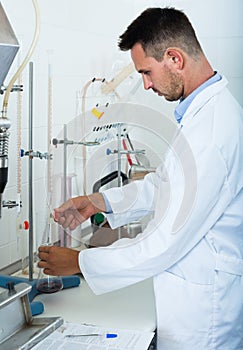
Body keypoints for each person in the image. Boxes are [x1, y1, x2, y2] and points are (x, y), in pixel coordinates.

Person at [38, 7, 243, 350]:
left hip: (204, 319)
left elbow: (164, 242)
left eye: (146, 72)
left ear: (174, 58)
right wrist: (97, 201)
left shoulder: (209, 131)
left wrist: (79, 262)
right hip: (195, 301)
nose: (146, 84)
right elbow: (164, 186)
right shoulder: (205, 114)